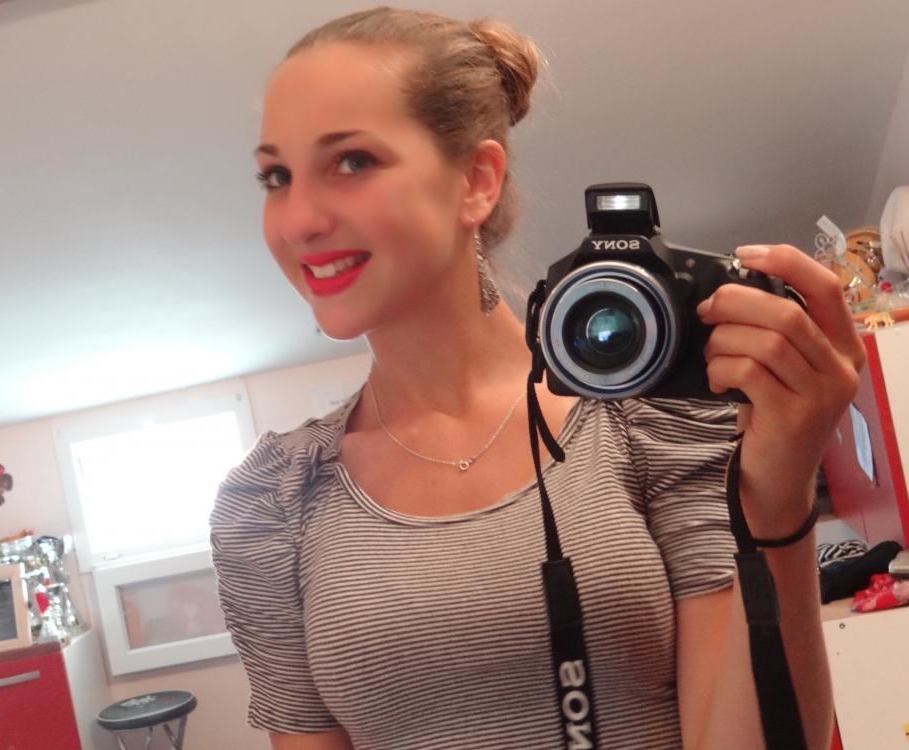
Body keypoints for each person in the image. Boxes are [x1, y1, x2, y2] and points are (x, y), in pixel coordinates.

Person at [210, 7, 865, 749]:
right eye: (276, 176)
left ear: (476, 181)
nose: (297, 220)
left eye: (352, 162)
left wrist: (778, 498)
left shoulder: (655, 422)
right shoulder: (271, 503)